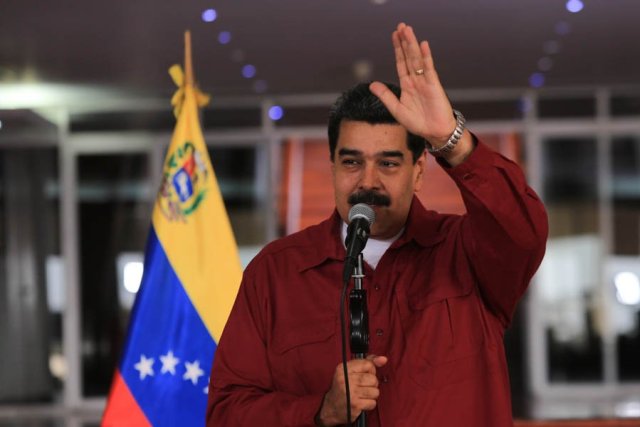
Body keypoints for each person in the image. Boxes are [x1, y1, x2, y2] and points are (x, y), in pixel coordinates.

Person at [207, 22, 548, 427]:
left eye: (388, 163)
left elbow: (524, 231)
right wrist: (320, 410)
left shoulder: (467, 252)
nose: (368, 181)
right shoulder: (276, 272)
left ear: (419, 170)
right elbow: (227, 414)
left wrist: (449, 138)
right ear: (332, 166)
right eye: (352, 162)